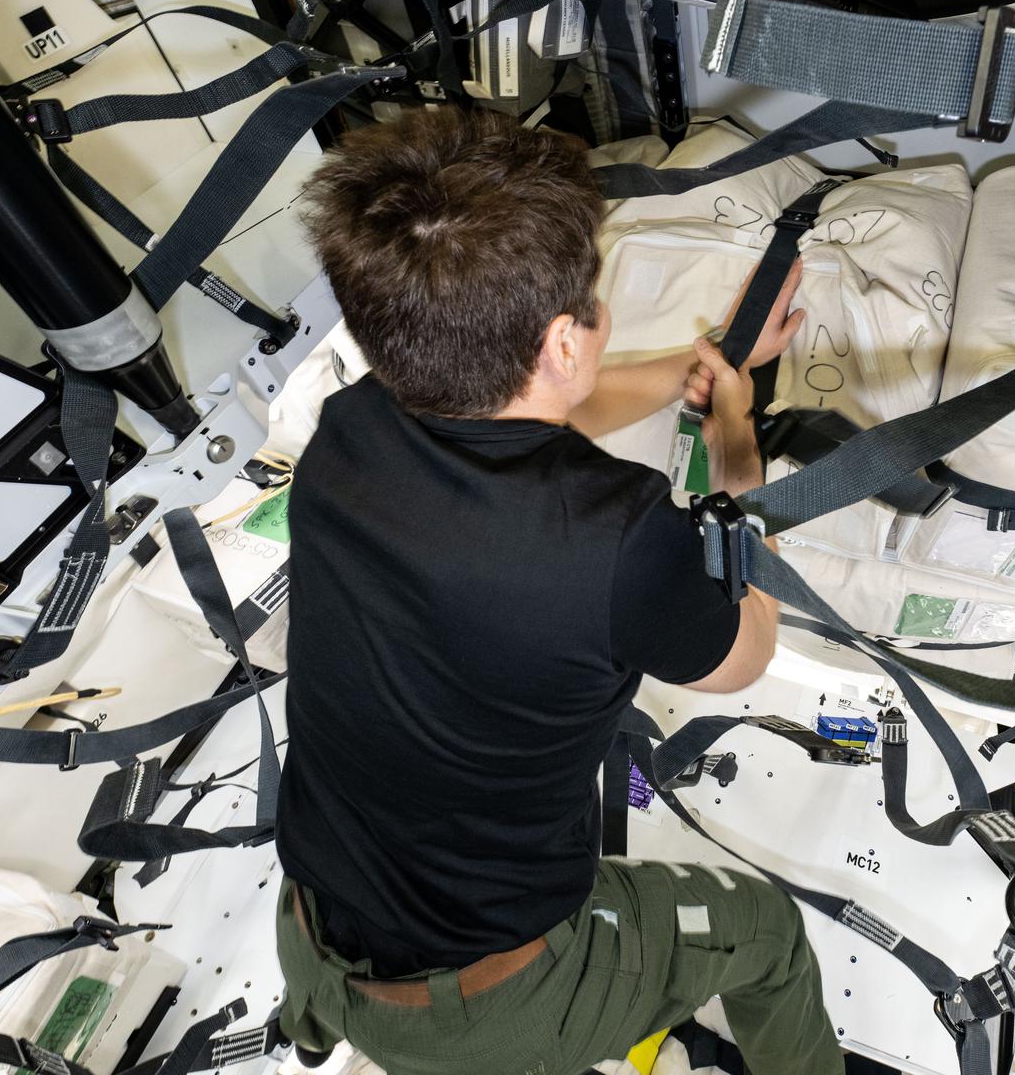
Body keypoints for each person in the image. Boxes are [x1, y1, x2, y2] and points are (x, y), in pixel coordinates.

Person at [272, 105, 845, 1075]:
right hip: (486, 1009)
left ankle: (318, 1023)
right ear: (571, 342)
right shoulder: (621, 540)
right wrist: (736, 453)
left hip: (314, 924)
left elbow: (529, 418)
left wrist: (696, 369)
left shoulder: (347, 431)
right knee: (769, 934)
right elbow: (743, 654)